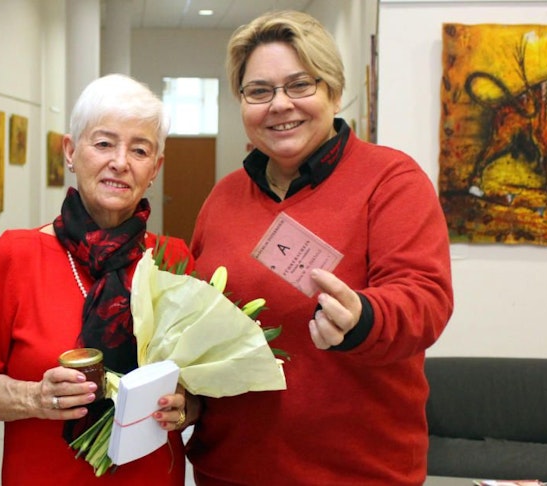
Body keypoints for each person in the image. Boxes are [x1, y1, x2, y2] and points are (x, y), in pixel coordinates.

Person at [186, 10, 454, 486]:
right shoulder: (224, 197)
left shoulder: (390, 181)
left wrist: (363, 318)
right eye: (259, 91)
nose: (279, 105)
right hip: (227, 468)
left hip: (358, 473)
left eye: (300, 85)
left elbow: (425, 299)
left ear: (332, 90)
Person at [0, 74, 191, 485]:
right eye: (103, 143)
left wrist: (188, 405)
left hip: (150, 474)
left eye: (139, 149)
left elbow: (198, 382)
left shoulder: (173, 258)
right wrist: (33, 397)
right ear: (70, 151)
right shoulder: (16, 255)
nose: (120, 161)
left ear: (155, 168)